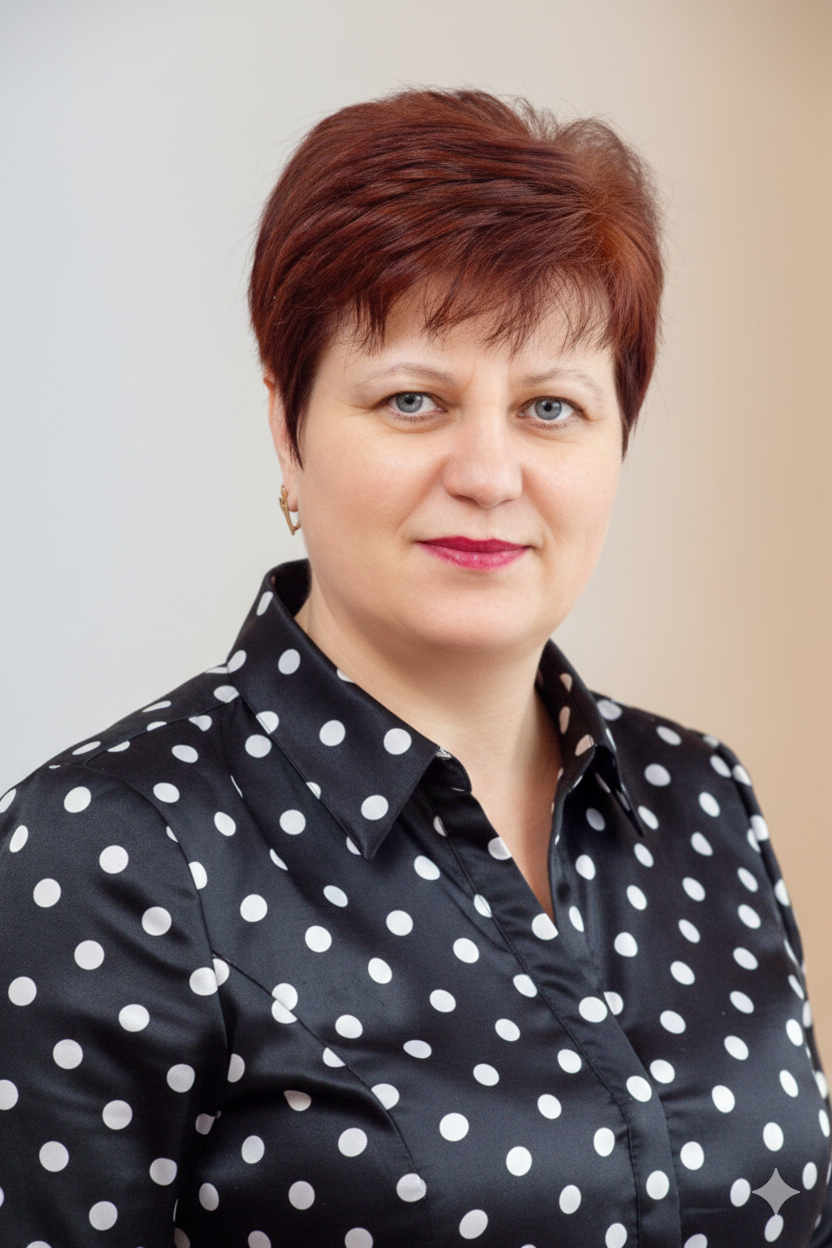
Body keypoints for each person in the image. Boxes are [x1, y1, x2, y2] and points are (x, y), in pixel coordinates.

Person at [0, 87, 828, 1248]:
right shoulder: (112, 847)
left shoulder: (703, 796)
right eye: (411, 400)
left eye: (551, 407)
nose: (488, 473)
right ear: (287, 424)